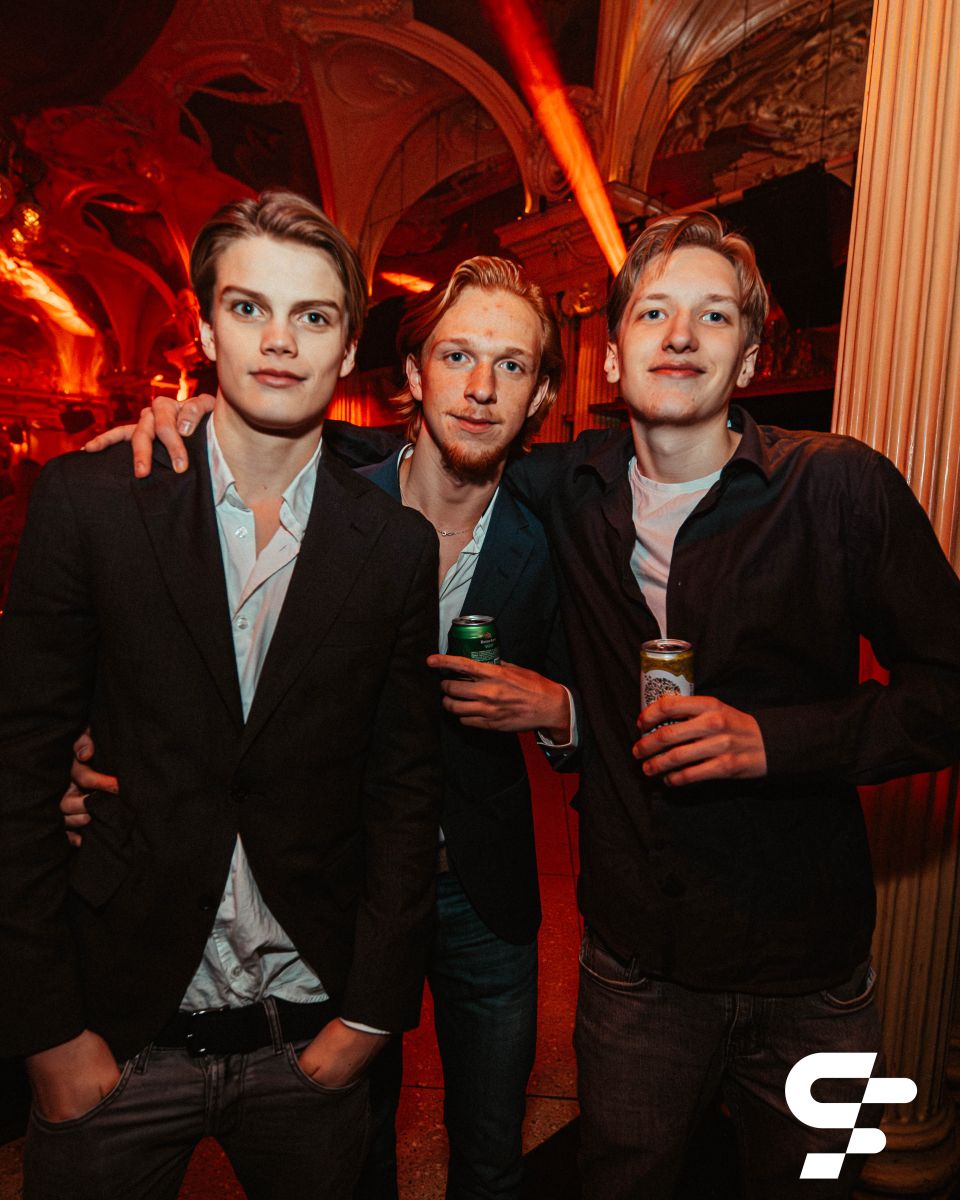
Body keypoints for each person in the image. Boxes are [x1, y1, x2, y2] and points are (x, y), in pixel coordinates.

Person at [84, 211, 960, 1198]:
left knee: (825, 1183)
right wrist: (204, 419)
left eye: (713, 316)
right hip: (633, 974)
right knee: (614, 1180)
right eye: (654, 313)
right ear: (613, 357)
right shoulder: (576, 488)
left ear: (751, 359)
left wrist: (772, 740)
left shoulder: (837, 487)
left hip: (817, 975)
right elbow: (355, 448)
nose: (680, 336)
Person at [70, 255, 579, 1200]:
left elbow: (603, 700)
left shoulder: (550, 534)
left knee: (491, 1148)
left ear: (542, 395)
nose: (480, 387)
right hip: (336, 884)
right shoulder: (324, 493)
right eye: (457, 356)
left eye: (511, 366)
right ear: (412, 374)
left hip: (483, 890)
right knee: (352, 1147)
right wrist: (179, 416)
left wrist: (559, 711)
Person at [0, 190, 441, 1200]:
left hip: (309, 1036)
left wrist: (370, 1017)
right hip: (114, 1034)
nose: (280, 340)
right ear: (204, 330)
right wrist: (46, 1032)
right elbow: (17, 774)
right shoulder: (90, 503)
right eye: (249, 308)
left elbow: (405, 791)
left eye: (313, 316)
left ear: (348, 347)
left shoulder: (393, 549)